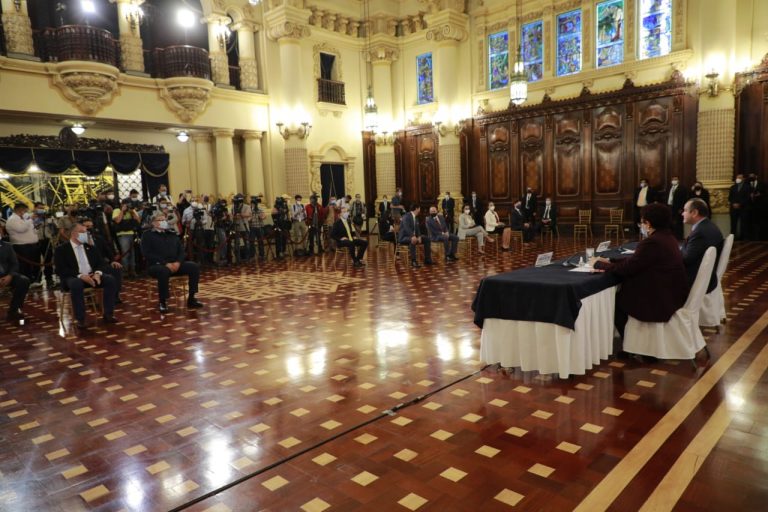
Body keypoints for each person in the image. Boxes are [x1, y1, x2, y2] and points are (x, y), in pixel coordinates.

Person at [590, 203, 688, 340]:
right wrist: (611, 261)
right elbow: (638, 261)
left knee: (615, 302)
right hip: (671, 292)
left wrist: (598, 264)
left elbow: (627, 269)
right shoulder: (668, 237)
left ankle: (632, 344)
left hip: (659, 298)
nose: (641, 226)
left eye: (641, 222)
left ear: (648, 223)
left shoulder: (652, 242)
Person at [54, 222, 118, 329]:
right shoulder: (62, 249)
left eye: (86, 232)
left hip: (92, 276)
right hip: (74, 277)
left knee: (110, 280)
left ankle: (108, 314)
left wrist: (98, 273)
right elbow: (60, 269)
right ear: (74, 234)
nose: (86, 234)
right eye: (83, 232)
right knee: (76, 284)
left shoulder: (91, 248)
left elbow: (101, 263)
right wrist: (80, 275)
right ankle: (81, 319)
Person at [141, 212, 203, 313]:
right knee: (163, 271)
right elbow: (147, 253)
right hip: (157, 265)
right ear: (153, 223)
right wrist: (165, 263)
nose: (163, 222)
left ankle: (191, 298)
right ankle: (163, 302)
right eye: (160, 220)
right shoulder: (147, 235)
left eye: (164, 220)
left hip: (175, 264)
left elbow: (181, 251)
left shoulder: (171, 233)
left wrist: (178, 262)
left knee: (194, 267)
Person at [681, 198, 723, 294]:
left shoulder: (700, 232)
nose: (682, 213)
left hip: (695, 279)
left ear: (694, 212)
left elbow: (686, 260)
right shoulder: (708, 226)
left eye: (685, 210)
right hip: (707, 277)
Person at [82, 218, 123, 305]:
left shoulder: (99, 238)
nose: (90, 228)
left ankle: (115, 295)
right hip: (87, 266)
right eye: (87, 226)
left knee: (115, 269)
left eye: (91, 226)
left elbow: (108, 251)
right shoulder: (80, 241)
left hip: (101, 265)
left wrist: (112, 261)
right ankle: (90, 296)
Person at [0, 223, 30, 322]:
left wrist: (10, 275)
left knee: (24, 281)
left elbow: (15, 264)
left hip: (7, 275)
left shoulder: (7, 246)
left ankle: (14, 310)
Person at [5, 203, 39, 282]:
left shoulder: (23, 218)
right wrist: (30, 220)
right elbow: (21, 229)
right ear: (20, 210)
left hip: (31, 245)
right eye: (25, 211)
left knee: (32, 265)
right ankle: (25, 282)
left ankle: (33, 280)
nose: (26, 212)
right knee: (24, 266)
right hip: (21, 246)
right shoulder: (12, 219)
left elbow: (29, 228)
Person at [112, 198, 140, 278]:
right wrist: (122, 211)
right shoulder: (117, 210)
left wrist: (132, 211)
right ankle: (125, 272)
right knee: (125, 253)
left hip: (131, 233)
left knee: (132, 254)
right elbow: (117, 220)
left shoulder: (131, 211)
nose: (128, 206)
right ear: (122, 204)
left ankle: (133, 271)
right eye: (127, 204)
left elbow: (138, 220)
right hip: (122, 234)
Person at [32, 202, 56, 287]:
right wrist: (38, 219)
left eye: (42, 208)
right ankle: (36, 279)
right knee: (35, 261)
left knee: (48, 260)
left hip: (47, 241)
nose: (41, 210)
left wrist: (51, 221)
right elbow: (34, 226)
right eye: (39, 208)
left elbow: (54, 229)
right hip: (35, 241)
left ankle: (49, 279)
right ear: (35, 208)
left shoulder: (47, 217)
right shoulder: (30, 217)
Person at [728, 173, 751, 240]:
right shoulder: (733, 187)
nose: (738, 179)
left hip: (743, 208)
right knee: (733, 224)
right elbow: (730, 198)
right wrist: (733, 204)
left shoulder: (747, 187)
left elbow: (747, 198)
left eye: (740, 177)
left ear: (743, 179)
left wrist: (740, 204)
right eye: (737, 177)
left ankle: (743, 238)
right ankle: (732, 238)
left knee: (743, 224)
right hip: (733, 208)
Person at [666, 175, 688, 239]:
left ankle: (679, 236)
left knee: (678, 222)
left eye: (675, 179)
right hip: (670, 207)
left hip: (678, 208)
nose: (674, 181)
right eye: (673, 179)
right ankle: (671, 236)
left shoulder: (682, 188)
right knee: (670, 222)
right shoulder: (669, 188)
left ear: (678, 180)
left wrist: (681, 208)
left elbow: (684, 199)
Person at [747, 172, 764, 240]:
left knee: (759, 223)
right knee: (749, 223)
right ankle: (750, 237)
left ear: (756, 176)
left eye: (752, 176)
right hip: (748, 208)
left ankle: (759, 237)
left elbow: (764, 193)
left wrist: (759, 195)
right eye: (750, 176)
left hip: (759, 208)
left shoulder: (762, 184)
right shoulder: (746, 184)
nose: (751, 177)